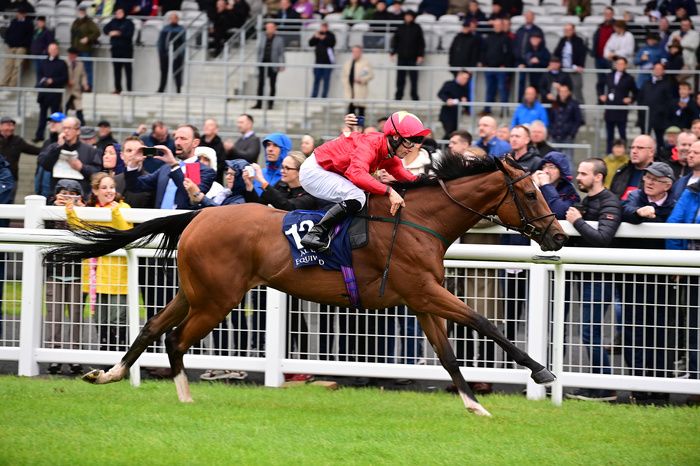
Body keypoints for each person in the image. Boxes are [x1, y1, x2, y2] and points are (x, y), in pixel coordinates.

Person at [298, 111, 429, 251]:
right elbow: (356, 173)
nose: (410, 149)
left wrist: (432, 181)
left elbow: (406, 176)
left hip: (327, 170)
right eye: (409, 143)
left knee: (361, 195)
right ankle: (315, 233)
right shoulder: (370, 145)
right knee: (357, 196)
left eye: (414, 144)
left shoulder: (388, 152)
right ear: (396, 138)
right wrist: (389, 191)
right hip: (314, 171)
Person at [565, 158, 621, 402]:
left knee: (590, 333)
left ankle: (604, 386)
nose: (578, 177)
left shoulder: (610, 202)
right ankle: (596, 383)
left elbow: (602, 239)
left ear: (598, 177)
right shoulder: (587, 201)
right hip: (586, 275)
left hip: (600, 277)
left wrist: (577, 222)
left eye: (583, 173)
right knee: (588, 332)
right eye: (578, 172)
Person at [620, 162, 677, 404]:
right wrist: (639, 213)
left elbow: (674, 219)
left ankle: (661, 390)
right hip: (634, 279)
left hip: (663, 281)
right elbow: (624, 209)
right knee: (634, 332)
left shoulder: (675, 204)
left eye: (655, 178)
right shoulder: (634, 196)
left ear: (668, 184)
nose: (649, 181)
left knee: (661, 334)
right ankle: (638, 388)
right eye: (647, 177)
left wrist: (652, 212)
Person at [67, 172, 133, 353]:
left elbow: (126, 231)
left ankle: (121, 356)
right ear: (95, 191)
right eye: (104, 188)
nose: (109, 191)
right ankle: (105, 354)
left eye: (111, 187)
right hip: (96, 275)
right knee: (100, 319)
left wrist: (115, 212)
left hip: (117, 275)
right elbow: (80, 229)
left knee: (117, 317)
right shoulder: (91, 209)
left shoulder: (123, 206)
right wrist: (71, 213)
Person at [666, 167, 700, 404]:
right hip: (693, 269)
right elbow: (674, 223)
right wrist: (677, 262)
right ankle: (696, 383)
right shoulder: (692, 191)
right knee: (695, 328)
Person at [44, 178, 85, 375]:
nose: (67, 197)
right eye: (63, 193)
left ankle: (75, 356)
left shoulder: (84, 212)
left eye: (72, 193)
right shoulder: (48, 211)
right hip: (54, 271)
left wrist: (78, 211)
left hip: (77, 273)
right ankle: (54, 356)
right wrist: (55, 209)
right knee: (54, 315)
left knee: (76, 315)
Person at [125, 124, 216, 210]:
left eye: (183, 138)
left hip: (184, 224)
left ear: (195, 143)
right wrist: (133, 164)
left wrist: (174, 165)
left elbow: (191, 197)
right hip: (161, 222)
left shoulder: (198, 169)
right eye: (176, 138)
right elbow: (135, 186)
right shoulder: (166, 168)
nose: (177, 142)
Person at [38, 116, 102, 194]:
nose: (66, 131)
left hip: (80, 196)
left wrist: (82, 167)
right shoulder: (54, 146)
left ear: (78, 131)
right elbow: (44, 163)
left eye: (69, 128)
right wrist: (58, 147)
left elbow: (97, 172)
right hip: (57, 195)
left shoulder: (89, 150)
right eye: (64, 128)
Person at [599, 56, 637, 155]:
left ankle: (624, 154)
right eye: (618, 63)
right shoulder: (609, 75)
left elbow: (636, 92)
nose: (620, 66)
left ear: (625, 65)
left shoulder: (629, 78)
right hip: (610, 108)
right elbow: (600, 85)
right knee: (609, 135)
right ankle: (609, 155)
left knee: (622, 134)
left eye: (622, 64)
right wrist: (601, 95)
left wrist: (630, 99)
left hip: (621, 109)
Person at [0, 116, 40, 203]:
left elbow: (33, 150)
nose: (10, 128)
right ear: (1, 126)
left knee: (8, 203)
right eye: (7, 125)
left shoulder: (17, 141)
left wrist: (48, 149)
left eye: (12, 125)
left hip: (11, 179)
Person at [34, 43, 68, 143]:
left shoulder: (62, 63)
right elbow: (39, 75)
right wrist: (44, 81)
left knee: (55, 117)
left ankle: (53, 137)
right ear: (48, 50)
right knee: (42, 116)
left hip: (55, 94)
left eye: (55, 49)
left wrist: (53, 80)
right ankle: (39, 135)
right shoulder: (43, 62)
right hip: (44, 94)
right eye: (51, 49)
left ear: (57, 51)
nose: (53, 51)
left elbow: (64, 78)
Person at [531, 152, 580, 219]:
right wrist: (533, 187)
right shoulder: (537, 186)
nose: (546, 171)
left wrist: (546, 185)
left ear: (561, 171)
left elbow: (559, 213)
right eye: (544, 167)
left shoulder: (570, 191)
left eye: (551, 167)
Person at [480, 18, 514, 116]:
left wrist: (505, 65)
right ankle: (487, 109)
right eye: (496, 25)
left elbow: (509, 54)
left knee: (502, 89)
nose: (498, 27)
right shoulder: (489, 38)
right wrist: (484, 63)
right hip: (489, 68)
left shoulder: (506, 38)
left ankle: (504, 110)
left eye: (500, 25)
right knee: (490, 89)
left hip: (501, 69)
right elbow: (483, 51)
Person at [390, 11, 425, 102]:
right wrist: (393, 52)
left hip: (413, 57)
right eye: (407, 16)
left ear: (413, 17)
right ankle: (398, 96)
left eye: (410, 16)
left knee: (414, 79)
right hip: (401, 57)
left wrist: (420, 55)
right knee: (400, 78)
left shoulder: (417, 28)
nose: (408, 18)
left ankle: (414, 97)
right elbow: (395, 41)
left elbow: (421, 43)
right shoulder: (400, 28)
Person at [611, 134, 656, 201]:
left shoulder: (659, 176)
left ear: (651, 152)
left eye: (640, 148)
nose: (634, 151)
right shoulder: (622, 171)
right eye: (632, 148)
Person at [637, 63, 674, 144]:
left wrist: (662, 111)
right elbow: (640, 98)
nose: (657, 71)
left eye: (659, 69)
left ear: (663, 71)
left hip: (659, 117)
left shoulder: (667, 84)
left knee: (659, 139)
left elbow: (669, 101)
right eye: (656, 68)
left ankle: (660, 155)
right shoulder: (646, 83)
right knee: (644, 138)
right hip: (646, 116)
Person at [113, 135, 154, 208]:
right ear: (122, 156)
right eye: (129, 151)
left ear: (144, 154)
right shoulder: (114, 181)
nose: (133, 154)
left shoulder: (151, 181)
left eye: (138, 151)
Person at [513, 11, 545, 101]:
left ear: (533, 18)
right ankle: (521, 103)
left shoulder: (538, 31)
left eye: (530, 16)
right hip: (520, 62)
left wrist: (532, 59)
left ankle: (534, 104)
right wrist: (519, 60)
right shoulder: (520, 30)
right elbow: (515, 46)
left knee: (534, 84)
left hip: (533, 63)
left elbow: (541, 47)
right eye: (527, 16)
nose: (528, 18)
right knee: (520, 83)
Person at [253, 22, 285, 110]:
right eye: (268, 27)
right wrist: (257, 62)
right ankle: (258, 103)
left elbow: (281, 53)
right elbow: (259, 51)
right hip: (262, 64)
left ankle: (270, 104)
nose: (269, 29)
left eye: (271, 27)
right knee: (260, 84)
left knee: (272, 84)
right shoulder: (262, 38)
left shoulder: (279, 39)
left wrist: (282, 64)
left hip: (273, 65)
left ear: (275, 29)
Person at [103, 7, 135, 95]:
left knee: (128, 70)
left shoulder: (129, 23)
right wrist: (110, 32)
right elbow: (105, 29)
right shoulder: (113, 21)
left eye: (120, 12)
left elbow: (129, 34)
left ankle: (129, 89)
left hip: (126, 50)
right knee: (117, 70)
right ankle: (118, 88)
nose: (118, 14)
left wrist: (118, 33)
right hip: (115, 49)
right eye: (117, 12)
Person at [553, 23, 587, 104]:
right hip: (563, 71)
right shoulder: (562, 40)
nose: (567, 32)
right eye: (565, 30)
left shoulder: (579, 41)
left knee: (577, 93)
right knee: (561, 93)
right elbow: (556, 53)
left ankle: (580, 115)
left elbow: (582, 54)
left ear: (573, 30)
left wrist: (580, 65)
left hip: (574, 71)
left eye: (569, 30)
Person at [547, 83, 583, 156]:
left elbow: (578, 120)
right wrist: (551, 131)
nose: (563, 94)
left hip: (567, 137)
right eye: (561, 91)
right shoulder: (554, 104)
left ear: (569, 92)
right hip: (555, 136)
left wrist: (572, 133)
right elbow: (551, 119)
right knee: (554, 159)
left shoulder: (574, 104)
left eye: (565, 91)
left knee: (568, 159)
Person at [1, 8, 33, 88]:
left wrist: (21, 44)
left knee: (17, 66)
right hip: (11, 46)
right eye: (19, 13)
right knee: (8, 64)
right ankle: (4, 82)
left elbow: (29, 37)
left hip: (21, 47)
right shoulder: (14, 22)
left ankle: (12, 85)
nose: (20, 15)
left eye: (22, 13)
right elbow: (7, 33)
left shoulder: (29, 23)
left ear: (25, 14)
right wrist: (8, 42)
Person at [70, 5, 100, 89]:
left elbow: (97, 32)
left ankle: (88, 86)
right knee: (76, 69)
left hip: (85, 49)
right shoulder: (75, 22)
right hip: (75, 50)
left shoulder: (89, 22)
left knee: (87, 69)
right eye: (80, 10)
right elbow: (72, 35)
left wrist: (88, 38)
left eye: (83, 10)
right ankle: (77, 86)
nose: (81, 12)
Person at [342, 45, 374, 118]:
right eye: (354, 51)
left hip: (360, 91)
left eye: (357, 51)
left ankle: (360, 128)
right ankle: (351, 129)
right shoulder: (348, 63)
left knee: (360, 112)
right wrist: (345, 84)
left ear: (360, 52)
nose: (355, 53)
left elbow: (370, 75)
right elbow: (344, 76)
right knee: (350, 113)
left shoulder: (365, 63)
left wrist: (362, 80)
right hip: (350, 91)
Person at [157, 12, 185, 94]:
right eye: (171, 18)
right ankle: (161, 89)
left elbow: (183, 43)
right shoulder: (165, 28)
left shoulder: (180, 29)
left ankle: (178, 89)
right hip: (164, 54)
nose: (173, 19)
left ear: (177, 19)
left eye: (174, 18)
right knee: (163, 71)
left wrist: (179, 53)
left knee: (177, 72)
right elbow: (160, 41)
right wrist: (160, 52)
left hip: (176, 55)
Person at [437, 70, 470, 138]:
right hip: (447, 114)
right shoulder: (449, 84)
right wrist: (447, 100)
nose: (466, 80)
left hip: (456, 115)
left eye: (467, 79)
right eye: (464, 78)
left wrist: (465, 101)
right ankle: (440, 147)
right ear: (459, 76)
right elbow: (441, 94)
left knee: (452, 133)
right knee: (449, 133)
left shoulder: (465, 88)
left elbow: (465, 100)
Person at [591, 7, 615, 97]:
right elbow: (596, 39)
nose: (607, 16)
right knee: (600, 80)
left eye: (609, 14)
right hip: (599, 57)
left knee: (611, 80)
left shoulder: (616, 26)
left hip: (610, 58)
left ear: (612, 15)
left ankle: (610, 99)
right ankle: (600, 98)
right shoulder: (600, 26)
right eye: (606, 14)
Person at [309, 22, 336, 99]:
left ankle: (324, 96)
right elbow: (310, 43)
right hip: (318, 62)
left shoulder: (331, 35)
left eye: (325, 27)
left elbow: (332, 44)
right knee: (316, 79)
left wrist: (324, 38)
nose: (323, 29)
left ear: (327, 27)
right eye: (322, 27)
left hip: (327, 62)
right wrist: (315, 37)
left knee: (326, 80)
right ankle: (314, 95)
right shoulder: (317, 34)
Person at [64, 47, 89, 126]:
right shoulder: (64, 62)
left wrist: (85, 84)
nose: (72, 56)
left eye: (74, 54)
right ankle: (62, 125)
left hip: (76, 90)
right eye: (70, 54)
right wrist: (67, 81)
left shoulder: (80, 64)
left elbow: (83, 75)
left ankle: (82, 126)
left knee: (79, 110)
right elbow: (61, 74)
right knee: (64, 108)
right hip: (67, 90)